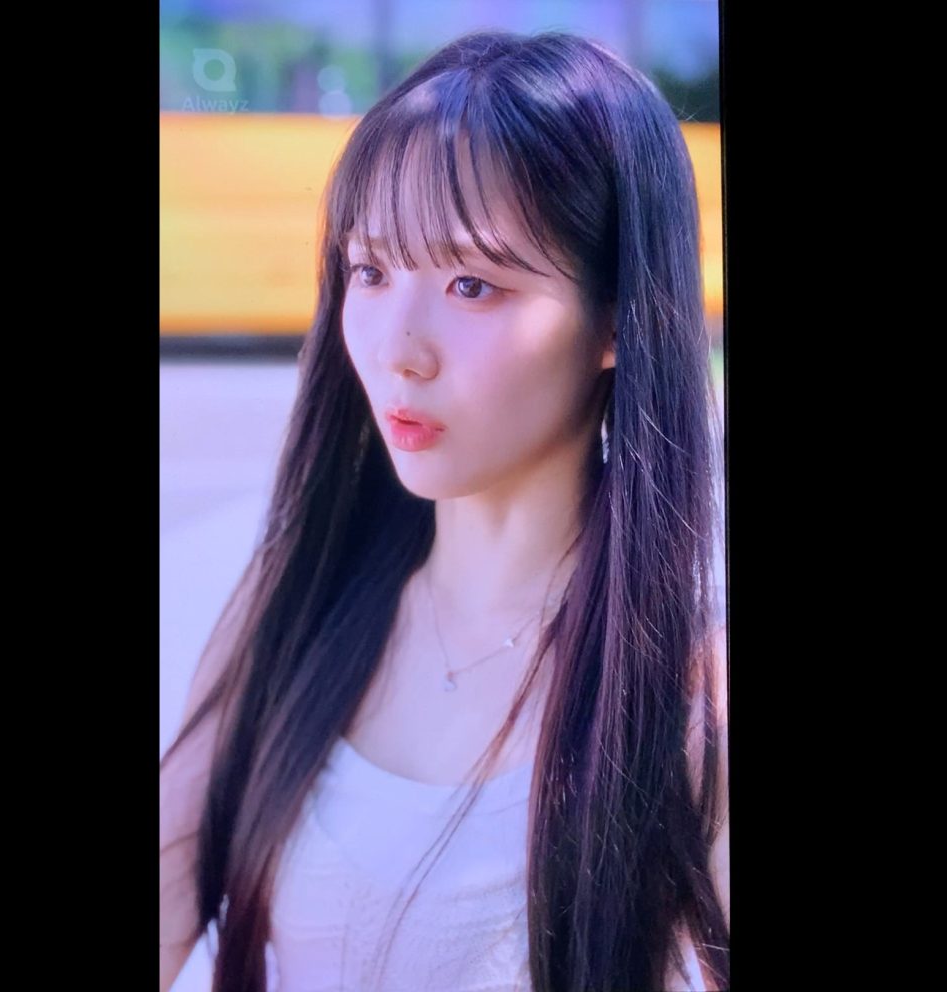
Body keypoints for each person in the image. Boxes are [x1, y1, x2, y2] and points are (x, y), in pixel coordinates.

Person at [160, 28, 729, 992]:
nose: (398, 349)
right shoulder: (298, 603)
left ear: (617, 318)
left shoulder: (685, 691)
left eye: (472, 285)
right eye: (371, 271)